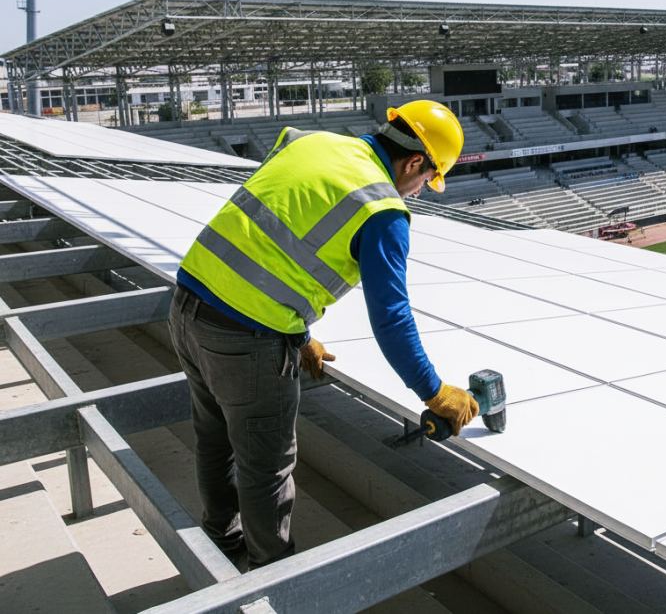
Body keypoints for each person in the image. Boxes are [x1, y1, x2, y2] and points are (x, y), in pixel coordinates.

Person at [168, 99, 479, 570]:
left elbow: (272, 238)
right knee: (266, 468)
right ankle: (272, 580)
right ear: (415, 162)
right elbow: (391, 317)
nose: (419, 192)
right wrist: (434, 392)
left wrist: (297, 335)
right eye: (427, 180)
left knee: (215, 440)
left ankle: (222, 545)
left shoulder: (309, 142)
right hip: (245, 340)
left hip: (186, 307)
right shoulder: (382, 209)